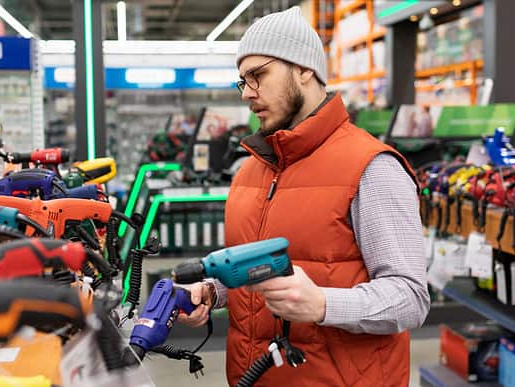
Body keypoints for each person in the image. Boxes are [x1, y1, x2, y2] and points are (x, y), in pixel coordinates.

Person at [178, 6, 429, 386]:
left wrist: (324, 305)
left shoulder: (371, 167)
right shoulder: (250, 171)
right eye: (242, 81)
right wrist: (213, 292)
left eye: (258, 76)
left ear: (304, 69)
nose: (247, 93)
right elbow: (257, 276)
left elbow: (410, 297)